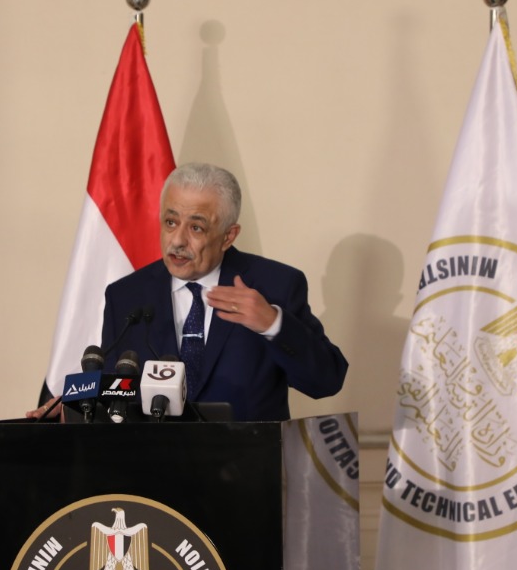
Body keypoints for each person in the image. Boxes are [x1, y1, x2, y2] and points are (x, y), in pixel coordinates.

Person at [97, 162, 347, 421]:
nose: (177, 240)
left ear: (228, 236)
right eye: (170, 222)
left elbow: (327, 381)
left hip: (247, 447)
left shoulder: (275, 285)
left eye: (196, 227)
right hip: (153, 448)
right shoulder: (126, 296)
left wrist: (273, 324)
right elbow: (114, 393)